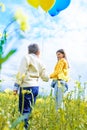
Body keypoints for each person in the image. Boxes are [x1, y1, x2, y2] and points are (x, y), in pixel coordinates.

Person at [13, 43, 49, 129]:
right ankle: (27, 126)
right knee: (30, 109)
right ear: (38, 52)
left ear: (28, 51)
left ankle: (24, 127)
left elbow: (21, 72)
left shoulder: (26, 57)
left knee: (24, 110)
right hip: (35, 88)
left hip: (26, 86)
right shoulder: (40, 61)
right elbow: (46, 78)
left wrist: (16, 86)